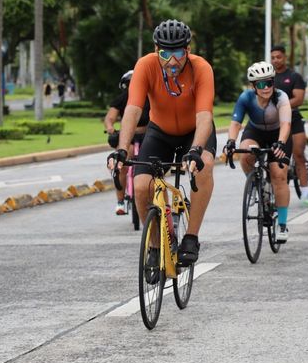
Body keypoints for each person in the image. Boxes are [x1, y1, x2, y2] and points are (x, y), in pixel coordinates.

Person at [107, 19, 216, 267]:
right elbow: (132, 110)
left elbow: (204, 116)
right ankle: (155, 246)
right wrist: (122, 149)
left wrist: (196, 150)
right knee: (142, 185)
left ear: (187, 50)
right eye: (165, 54)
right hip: (160, 132)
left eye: (178, 53)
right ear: (157, 50)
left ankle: (191, 237)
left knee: (205, 166)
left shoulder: (201, 68)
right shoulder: (145, 65)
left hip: (194, 131)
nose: (172, 61)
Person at [224, 61, 293, 243]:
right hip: (255, 132)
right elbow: (236, 123)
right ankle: (255, 183)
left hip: (279, 135)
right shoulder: (246, 98)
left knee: (278, 174)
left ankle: (283, 225)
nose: (266, 88)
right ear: (254, 86)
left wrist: (280, 143)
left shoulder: (281, 97)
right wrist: (231, 141)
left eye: (269, 82)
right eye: (261, 84)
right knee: (245, 153)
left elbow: (286, 124)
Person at [270, 44, 308, 207]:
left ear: (284, 57)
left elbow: (298, 99)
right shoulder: (268, 77)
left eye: (278, 57)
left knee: (298, 154)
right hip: (275, 121)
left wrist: (281, 106)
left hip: (294, 120)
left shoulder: (294, 76)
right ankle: (270, 194)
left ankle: (306, 194)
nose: (275, 60)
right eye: (272, 57)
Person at [103, 70, 150, 215]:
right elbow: (110, 117)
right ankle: (120, 201)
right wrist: (110, 128)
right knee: (121, 164)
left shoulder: (151, 97)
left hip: (148, 136)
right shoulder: (122, 98)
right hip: (128, 137)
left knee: (152, 163)